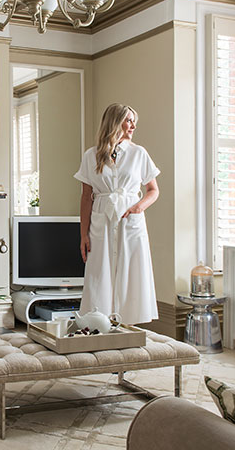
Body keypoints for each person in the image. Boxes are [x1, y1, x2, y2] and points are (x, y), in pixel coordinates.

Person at [74, 103, 160, 325]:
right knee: (98, 272)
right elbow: (86, 197)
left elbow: (153, 190)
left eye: (134, 121)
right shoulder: (90, 155)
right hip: (101, 220)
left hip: (129, 220)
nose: (133, 125)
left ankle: (128, 325)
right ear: (115, 122)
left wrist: (139, 207)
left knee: (130, 270)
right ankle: (97, 323)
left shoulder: (139, 154)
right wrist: (83, 235)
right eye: (129, 120)